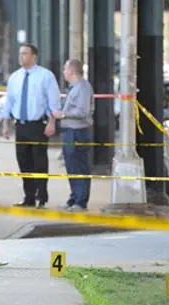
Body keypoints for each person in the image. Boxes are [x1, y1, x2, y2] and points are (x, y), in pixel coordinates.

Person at [2, 43, 61, 208]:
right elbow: (9, 102)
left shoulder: (46, 76)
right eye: (20, 53)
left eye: (25, 54)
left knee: (39, 162)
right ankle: (28, 197)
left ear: (34, 56)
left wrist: (52, 123)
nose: (21, 56)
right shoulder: (15, 77)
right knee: (24, 161)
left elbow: (54, 102)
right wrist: (6, 124)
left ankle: (42, 197)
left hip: (38, 126)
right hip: (20, 126)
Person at [52, 59, 94, 211]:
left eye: (65, 69)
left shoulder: (83, 88)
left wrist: (62, 115)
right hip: (70, 132)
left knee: (79, 168)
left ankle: (81, 202)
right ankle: (74, 198)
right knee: (71, 167)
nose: (63, 72)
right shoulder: (75, 87)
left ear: (72, 71)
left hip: (78, 132)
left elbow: (82, 112)